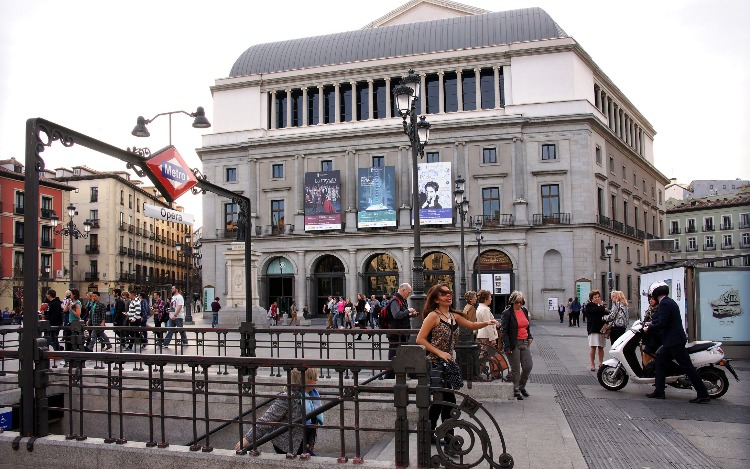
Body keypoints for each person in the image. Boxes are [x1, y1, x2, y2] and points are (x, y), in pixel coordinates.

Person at [416, 284, 498, 454]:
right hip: (436, 364)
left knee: (439, 403)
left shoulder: (453, 316)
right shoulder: (433, 316)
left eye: (449, 293)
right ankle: (449, 442)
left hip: (449, 365)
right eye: (444, 294)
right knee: (449, 403)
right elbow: (420, 339)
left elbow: (471, 325)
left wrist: (488, 322)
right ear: (436, 298)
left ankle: (429, 433)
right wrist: (440, 352)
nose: (448, 296)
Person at [645, 282, 710, 403]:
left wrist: (649, 328)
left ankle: (703, 394)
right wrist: (651, 323)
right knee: (660, 362)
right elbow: (661, 319)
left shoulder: (664, 303)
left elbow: (663, 323)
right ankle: (659, 391)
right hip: (672, 341)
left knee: (688, 367)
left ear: (656, 293)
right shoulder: (668, 302)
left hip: (674, 341)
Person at [235, 368, 323, 456]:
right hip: (286, 444)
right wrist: (247, 439)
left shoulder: (312, 395)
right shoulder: (288, 398)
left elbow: (313, 419)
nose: (317, 379)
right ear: (303, 379)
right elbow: (267, 420)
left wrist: (311, 440)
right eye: (313, 377)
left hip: (300, 441)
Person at [500, 291, 534, 400]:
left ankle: (521, 386)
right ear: (512, 302)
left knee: (528, 366)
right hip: (513, 343)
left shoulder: (524, 311)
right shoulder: (507, 313)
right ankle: (515, 389)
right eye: (516, 302)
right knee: (515, 369)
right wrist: (507, 346)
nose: (519, 305)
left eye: (521, 302)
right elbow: (504, 330)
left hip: (524, 341)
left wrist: (529, 336)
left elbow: (527, 326)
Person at [384, 283, 419, 378]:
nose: (409, 294)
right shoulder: (395, 300)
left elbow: (401, 315)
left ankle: (409, 375)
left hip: (401, 334)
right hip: (396, 334)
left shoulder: (402, 301)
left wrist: (410, 315)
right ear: (403, 290)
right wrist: (408, 311)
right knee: (393, 357)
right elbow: (396, 315)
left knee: (402, 355)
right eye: (408, 292)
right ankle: (388, 378)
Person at [585, 290, 608, 371]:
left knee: (601, 347)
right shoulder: (589, 305)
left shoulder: (600, 306)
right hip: (593, 329)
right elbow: (597, 310)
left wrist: (603, 308)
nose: (597, 298)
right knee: (593, 346)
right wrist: (603, 308)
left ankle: (601, 363)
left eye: (598, 297)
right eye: (595, 297)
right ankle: (592, 364)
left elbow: (606, 312)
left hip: (601, 329)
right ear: (591, 298)